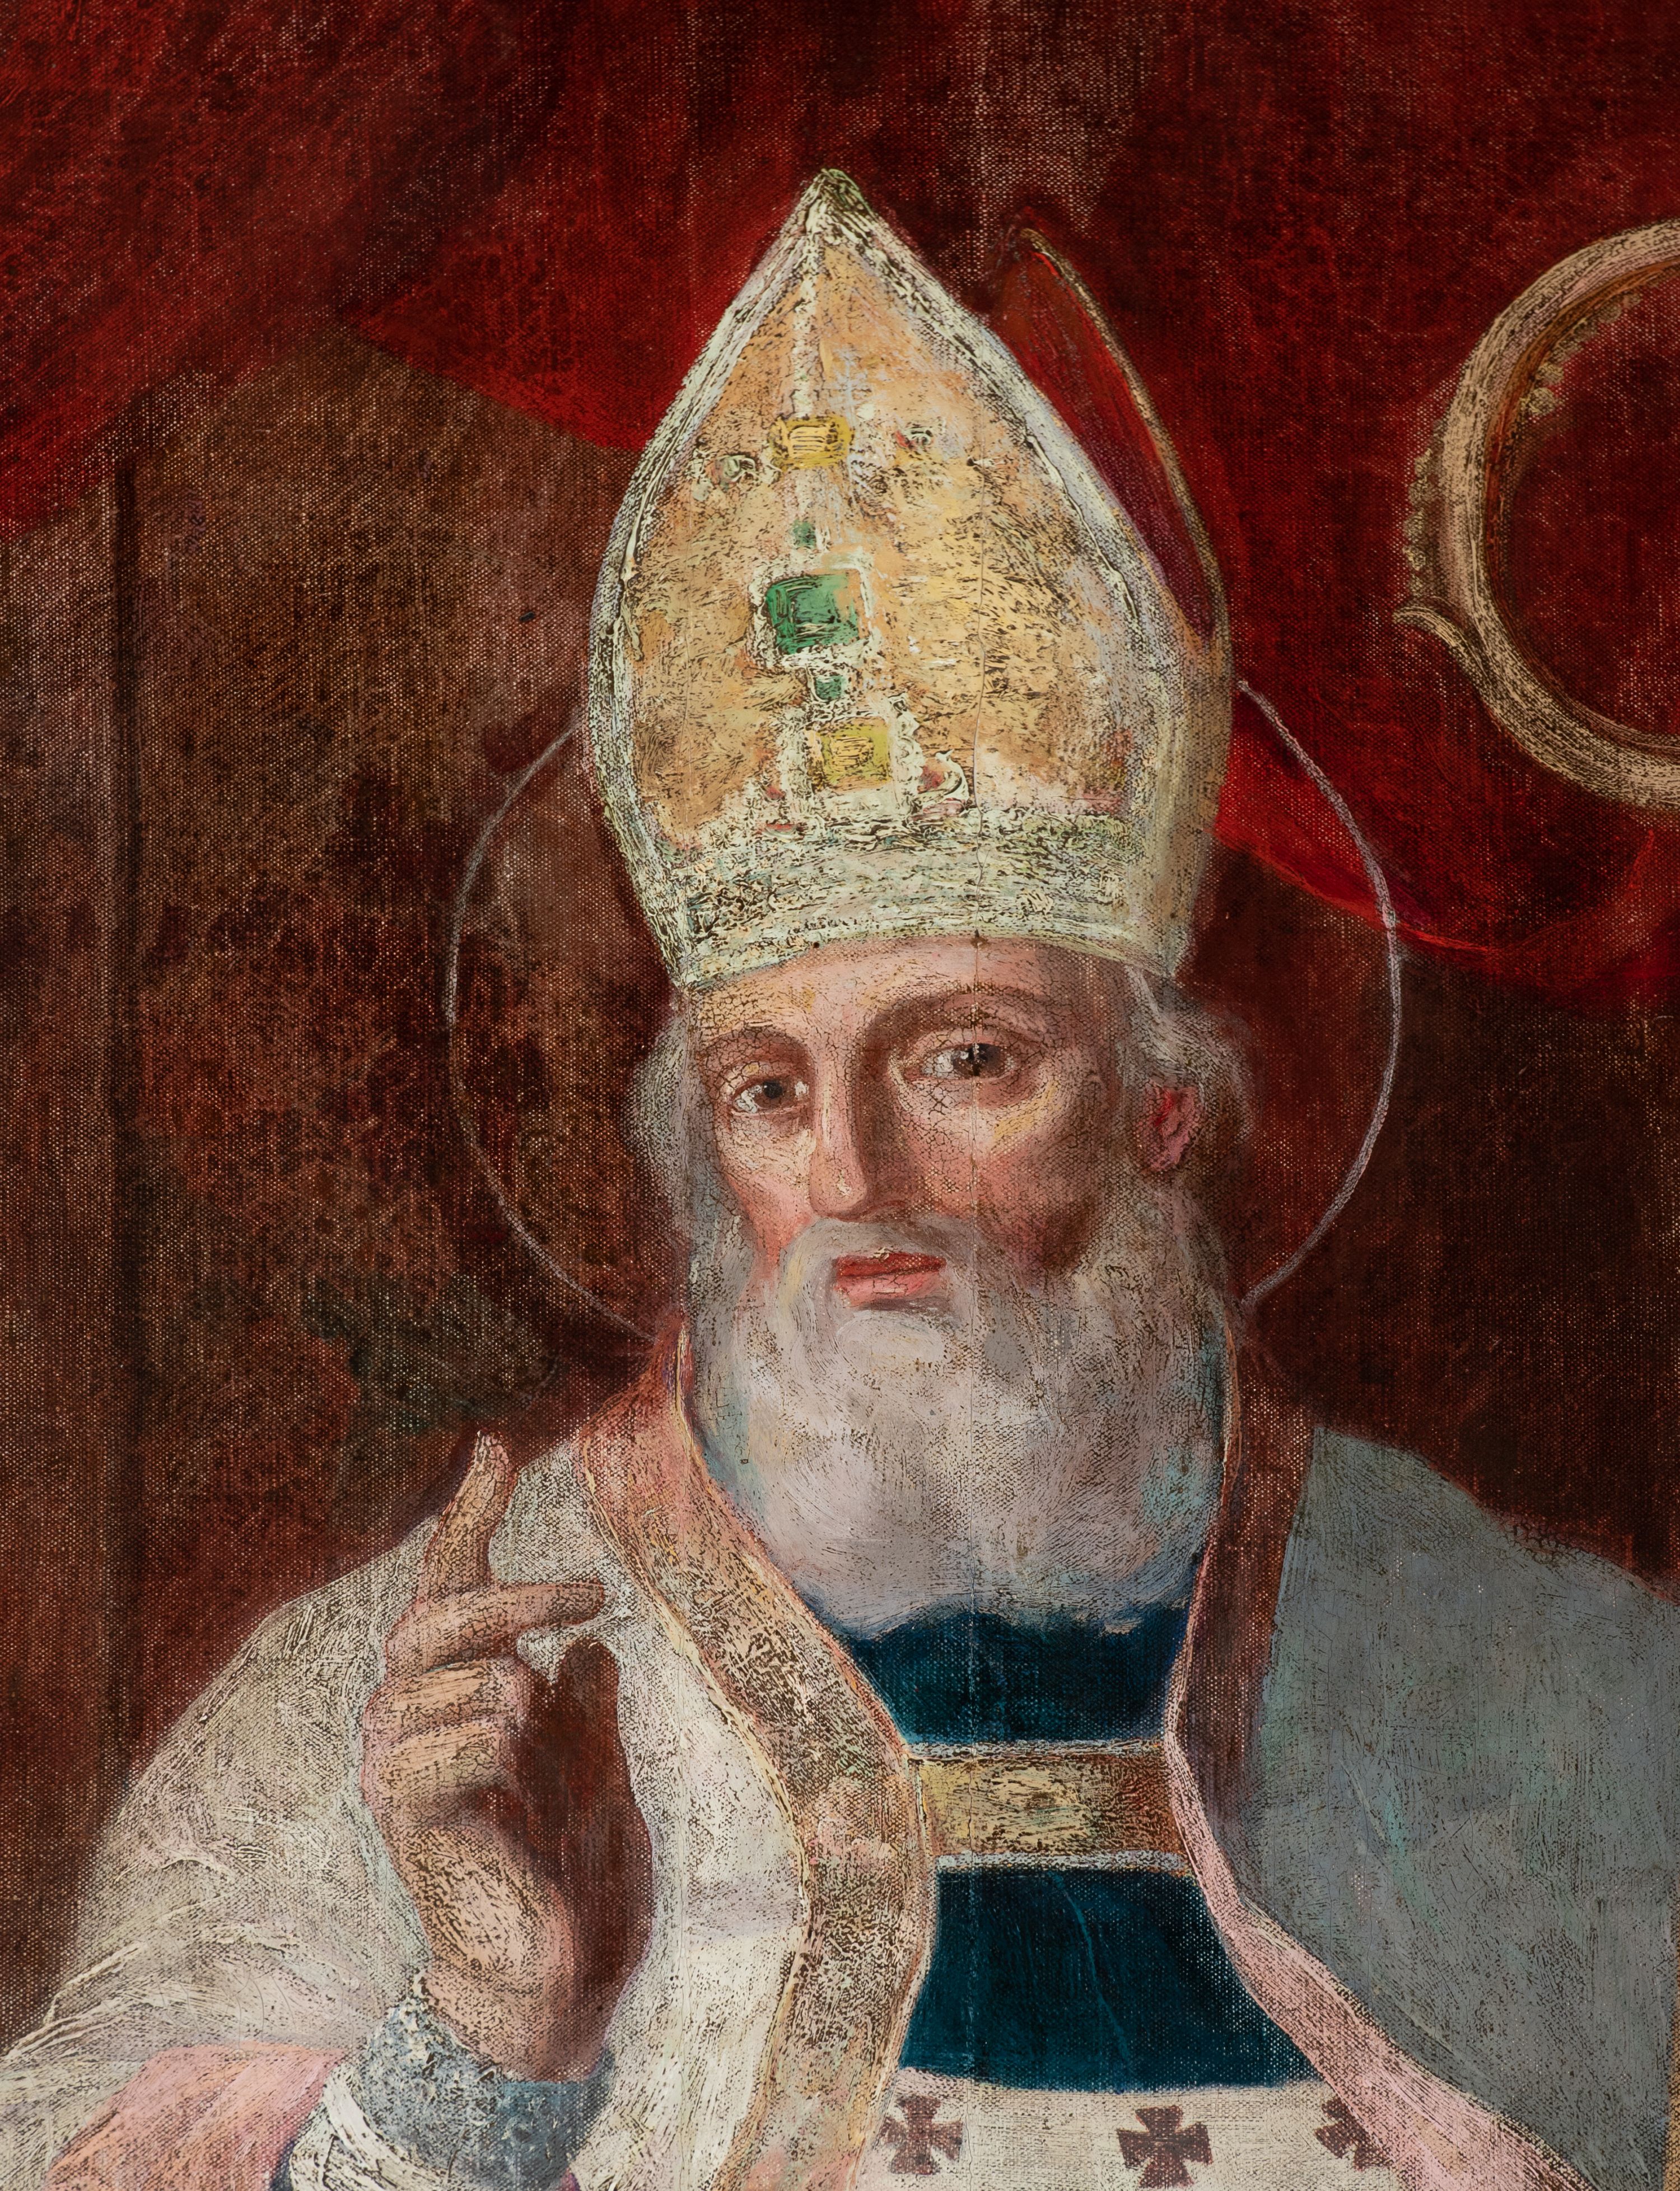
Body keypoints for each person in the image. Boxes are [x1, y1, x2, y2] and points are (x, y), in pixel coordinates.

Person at [6, 171, 1678, 2191]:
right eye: (770, 1092)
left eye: (965, 1060)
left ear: (1161, 1111)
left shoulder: (1535, 1680)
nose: (859, 1173)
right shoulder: (421, 1706)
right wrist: (487, 2049)